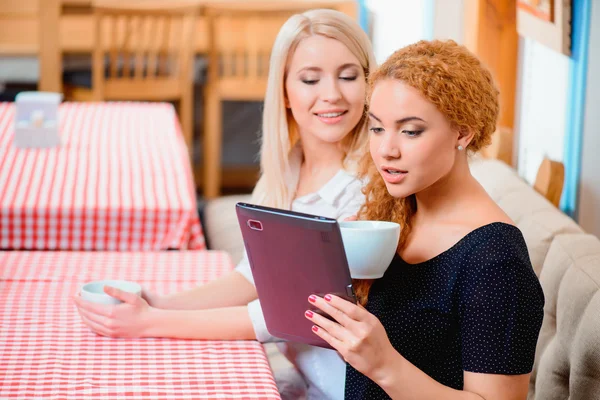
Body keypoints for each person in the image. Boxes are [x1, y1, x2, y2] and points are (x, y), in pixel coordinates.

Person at [73, 9, 377, 400]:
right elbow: (252, 278)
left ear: (370, 85)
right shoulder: (286, 170)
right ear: (284, 92)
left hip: (342, 390)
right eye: (310, 79)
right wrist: (161, 303)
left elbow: (281, 317)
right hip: (303, 377)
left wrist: (151, 322)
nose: (332, 93)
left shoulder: (365, 192)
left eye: (349, 76)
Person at [305, 40, 545, 400]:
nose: (387, 150)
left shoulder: (496, 262)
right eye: (377, 128)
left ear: (463, 133)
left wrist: (383, 364)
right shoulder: (396, 216)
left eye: (410, 131)